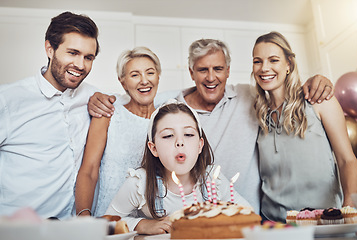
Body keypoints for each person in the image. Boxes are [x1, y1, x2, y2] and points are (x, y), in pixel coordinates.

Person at [88, 39, 334, 214]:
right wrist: (102, 97)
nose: (210, 77)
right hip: (189, 212)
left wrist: (315, 79)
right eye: (202, 70)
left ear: (228, 71)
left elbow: (279, 87)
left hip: (248, 215)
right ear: (191, 72)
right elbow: (139, 96)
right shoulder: (172, 105)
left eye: (218, 69)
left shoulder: (249, 96)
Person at [0, 11, 101, 219]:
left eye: (88, 57)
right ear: (50, 48)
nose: (81, 65)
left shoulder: (92, 97)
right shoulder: (8, 100)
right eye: (72, 53)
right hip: (18, 230)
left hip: (71, 229)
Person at [252, 31, 357, 222]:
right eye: (257, 61)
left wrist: (349, 205)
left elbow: (347, 160)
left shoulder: (319, 100)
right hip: (273, 224)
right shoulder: (257, 113)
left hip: (324, 221)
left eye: (273, 60)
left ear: (289, 65)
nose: (264, 68)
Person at [105, 101, 251, 234]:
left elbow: (249, 215)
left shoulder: (213, 180)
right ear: (153, 148)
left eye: (188, 134)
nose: (179, 142)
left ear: (200, 145)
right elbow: (107, 223)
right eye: (168, 136)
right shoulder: (140, 183)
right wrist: (142, 225)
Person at [75, 47, 161, 217]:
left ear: (158, 76)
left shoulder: (167, 119)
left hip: (153, 222)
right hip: (109, 219)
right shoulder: (108, 114)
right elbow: (89, 170)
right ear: (123, 82)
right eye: (135, 75)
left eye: (150, 73)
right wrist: (84, 219)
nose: (144, 81)